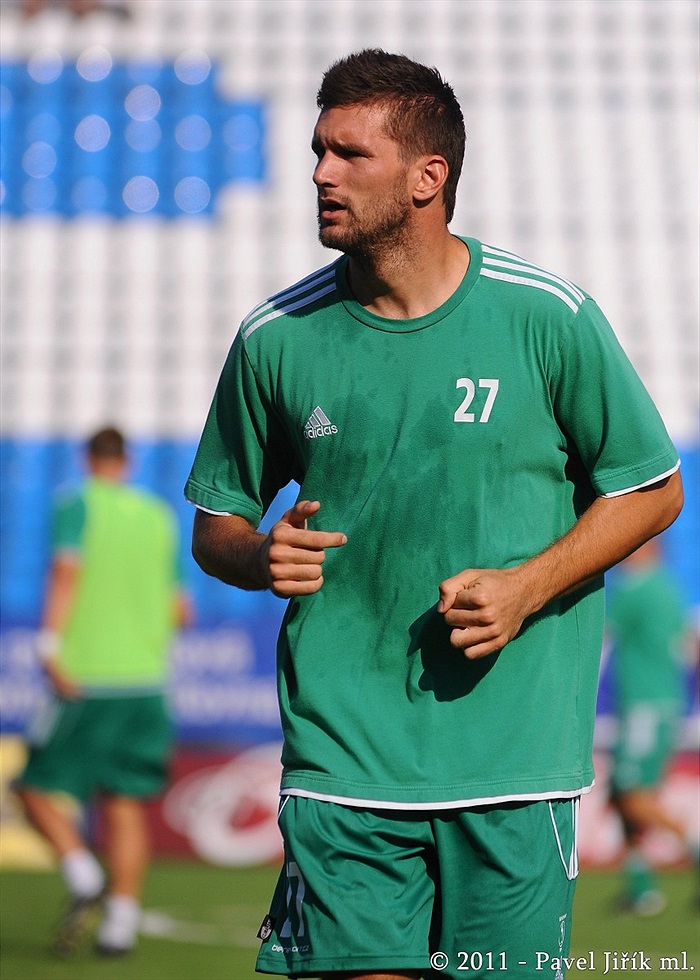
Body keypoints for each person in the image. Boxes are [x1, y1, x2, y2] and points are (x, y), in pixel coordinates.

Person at [185, 49, 683, 980]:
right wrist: (258, 556)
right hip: (344, 759)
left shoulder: (549, 317)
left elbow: (652, 488)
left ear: (428, 176)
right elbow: (217, 523)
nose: (321, 174)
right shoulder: (273, 338)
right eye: (317, 152)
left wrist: (525, 588)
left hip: (514, 762)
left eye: (348, 154)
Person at [16, 426, 191, 957]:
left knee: (32, 788)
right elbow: (181, 609)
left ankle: (82, 872)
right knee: (125, 804)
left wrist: (48, 645)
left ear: (87, 458)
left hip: (89, 677)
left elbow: (66, 572)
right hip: (147, 683)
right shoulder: (159, 518)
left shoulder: (76, 504)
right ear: (129, 461)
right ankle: (120, 924)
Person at [606, 538, 694, 915]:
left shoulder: (636, 588)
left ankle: (692, 844)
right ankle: (641, 889)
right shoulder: (670, 590)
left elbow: (603, 634)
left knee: (633, 797)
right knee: (625, 795)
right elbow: (689, 647)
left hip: (642, 706)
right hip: (663, 704)